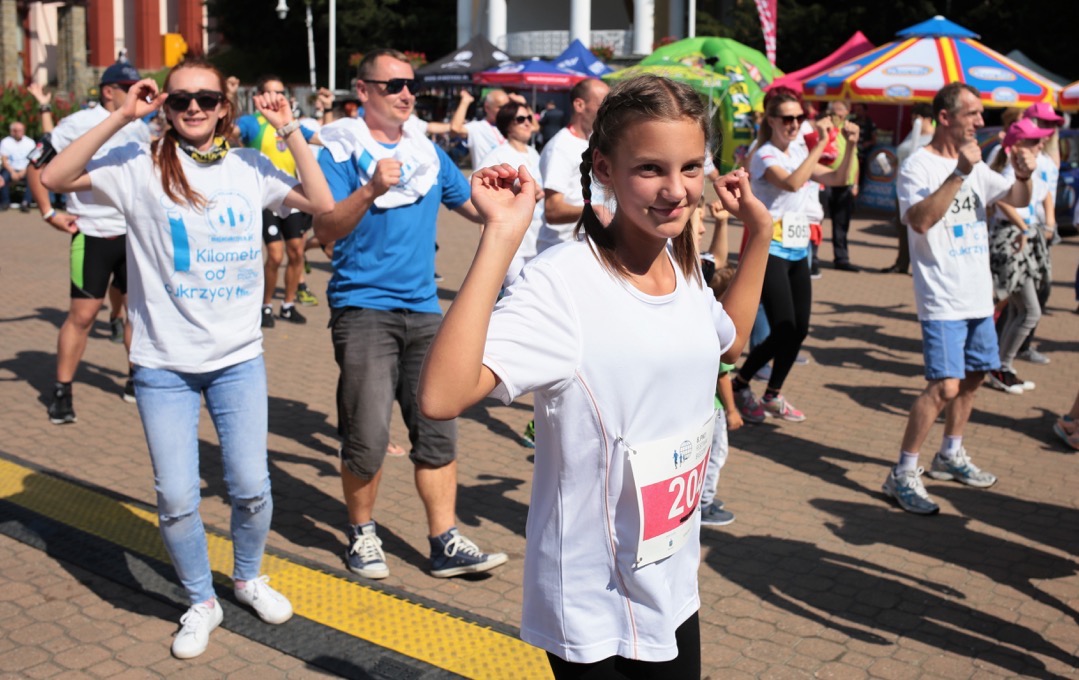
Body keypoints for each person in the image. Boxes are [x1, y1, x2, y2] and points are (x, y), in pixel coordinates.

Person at [418, 73, 774, 678]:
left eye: (690, 168)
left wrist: (758, 234)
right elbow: (442, 395)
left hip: (672, 577)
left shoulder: (680, 262)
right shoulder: (564, 283)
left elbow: (730, 342)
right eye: (650, 169)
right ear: (604, 168)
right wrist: (500, 237)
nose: (676, 190)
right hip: (596, 596)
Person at [42, 57, 335, 659]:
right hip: (162, 365)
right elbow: (55, 174)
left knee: (250, 487)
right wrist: (124, 115)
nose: (193, 107)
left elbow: (322, 202)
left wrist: (287, 127)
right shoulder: (139, 164)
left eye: (206, 98)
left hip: (238, 360)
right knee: (176, 497)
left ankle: (248, 578)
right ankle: (201, 600)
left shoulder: (249, 166)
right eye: (180, 99)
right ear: (166, 107)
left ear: (225, 106)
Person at [312, 49, 507, 581]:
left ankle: (445, 541)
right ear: (363, 91)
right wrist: (371, 188)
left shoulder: (426, 153)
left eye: (411, 85)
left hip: (424, 311)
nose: (406, 94)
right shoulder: (339, 151)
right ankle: (362, 533)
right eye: (393, 85)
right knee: (368, 434)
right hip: (363, 309)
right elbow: (325, 229)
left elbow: (476, 209)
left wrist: (513, 199)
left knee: (438, 429)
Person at [883, 83, 1035, 516]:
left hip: (977, 295)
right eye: (972, 113)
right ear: (945, 117)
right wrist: (959, 174)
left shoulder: (976, 163)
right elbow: (919, 221)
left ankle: (950, 454)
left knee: (973, 379)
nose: (981, 121)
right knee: (944, 386)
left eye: (981, 114)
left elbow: (1015, 199)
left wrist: (1023, 176)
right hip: (942, 297)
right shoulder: (918, 166)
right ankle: (902, 472)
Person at [27, 61, 151, 422]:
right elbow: (36, 164)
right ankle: (62, 390)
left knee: (137, 313)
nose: (135, 93)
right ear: (109, 91)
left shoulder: (139, 127)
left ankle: (136, 379)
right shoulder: (77, 123)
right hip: (92, 234)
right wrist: (48, 213)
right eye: (128, 87)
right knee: (82, 316)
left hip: (133, 234)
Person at [730, 87, 859, 424]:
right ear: (771, 120)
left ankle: (772, 394)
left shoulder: (800, 150)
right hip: (769, 248)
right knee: (784, 326)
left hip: (798, 248)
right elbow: (790, 183)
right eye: (787, 119)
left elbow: (838, 178)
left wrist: (851, 146)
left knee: (799, 329)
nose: (794, 124)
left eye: (799, 118)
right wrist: (818, 145)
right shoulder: (764, 154)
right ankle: (740, 384)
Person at [234, 75, 321, 326]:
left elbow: (321, 138)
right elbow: (229, 131)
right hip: (267, 198)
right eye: (270, 92)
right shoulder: (251, 122)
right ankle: (265, 306)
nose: (276, 97)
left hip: (292, 196)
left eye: (281, 92)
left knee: (296, 252)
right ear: (258, 97)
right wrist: (228, 97)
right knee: (274, 255)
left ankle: (288, 305)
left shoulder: (289, 122)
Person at [986, 119, 1054, 395]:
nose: (1040, 144)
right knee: (1028, 311)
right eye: (1034, 140)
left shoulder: (1029, 169)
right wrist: (1024, 227)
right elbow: (1001, 199)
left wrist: (1047, 225)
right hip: (1011, 241)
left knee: (1018, 309)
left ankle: (1002, 367)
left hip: (1022, 239)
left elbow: (1044, 193)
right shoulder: (1007, 171)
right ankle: (1000, 367)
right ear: (1017, 145)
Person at [535, 78, 609, 253]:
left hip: (588, 246)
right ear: (579, 105)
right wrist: (595, 210)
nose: (609, 111)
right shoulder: (560, 147)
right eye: (603, 105)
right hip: (560, 250)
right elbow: (552, 210)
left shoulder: (593, 142)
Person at [478, 101, 545, 289]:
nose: (527, 123)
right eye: (521, 119)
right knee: (516, 291)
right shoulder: (498, 155)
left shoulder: (534, 153)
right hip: (512, 238)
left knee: (535, 291)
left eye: (529, 118)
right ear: (507, 125)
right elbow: (478, 189)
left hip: (537, 235)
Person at [883, 102, 935, 274]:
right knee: (902, 228)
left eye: (917, 118)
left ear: (928, 119)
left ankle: (924, 266)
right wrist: (891, 163)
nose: (914, 122)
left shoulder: (934, 139)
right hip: (903, 188)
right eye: (912, 119)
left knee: (921, 230)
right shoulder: (912, 135)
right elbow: (903, 156)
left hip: (922, 191)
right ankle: (902, 262)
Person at [822, 101, 860, 271]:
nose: (836, 112)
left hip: (845, 184)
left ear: (847, 111)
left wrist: (856, 183)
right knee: (816, 220)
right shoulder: (826, 126)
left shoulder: (851, 129)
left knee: (841, 224)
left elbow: (855, 159)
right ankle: (811, 259)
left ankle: (842, 259)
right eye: (834, 109)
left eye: (840, 109)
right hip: (825, 180)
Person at [450, 88, 520, 169]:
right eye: (500, 107)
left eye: (507, 107)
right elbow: (455, 128)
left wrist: (522, 103)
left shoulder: (512, 126)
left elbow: (532, 127)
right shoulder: (477, 127)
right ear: (487, 107)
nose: (505, 111)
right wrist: (465, 101)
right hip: (487, 176)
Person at [0, 121, 36, 211]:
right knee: (2, 178)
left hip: (26, 169)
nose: (20, 132)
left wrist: (24, 171)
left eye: (22, 130)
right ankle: (5, 202)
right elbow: (4, 160)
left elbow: (33, 160)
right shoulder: (5, 142)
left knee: (33, 179)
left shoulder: (30, 142)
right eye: (18, 130)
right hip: (10, 169)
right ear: (12, 131)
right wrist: (12, 172)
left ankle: (26, 202)